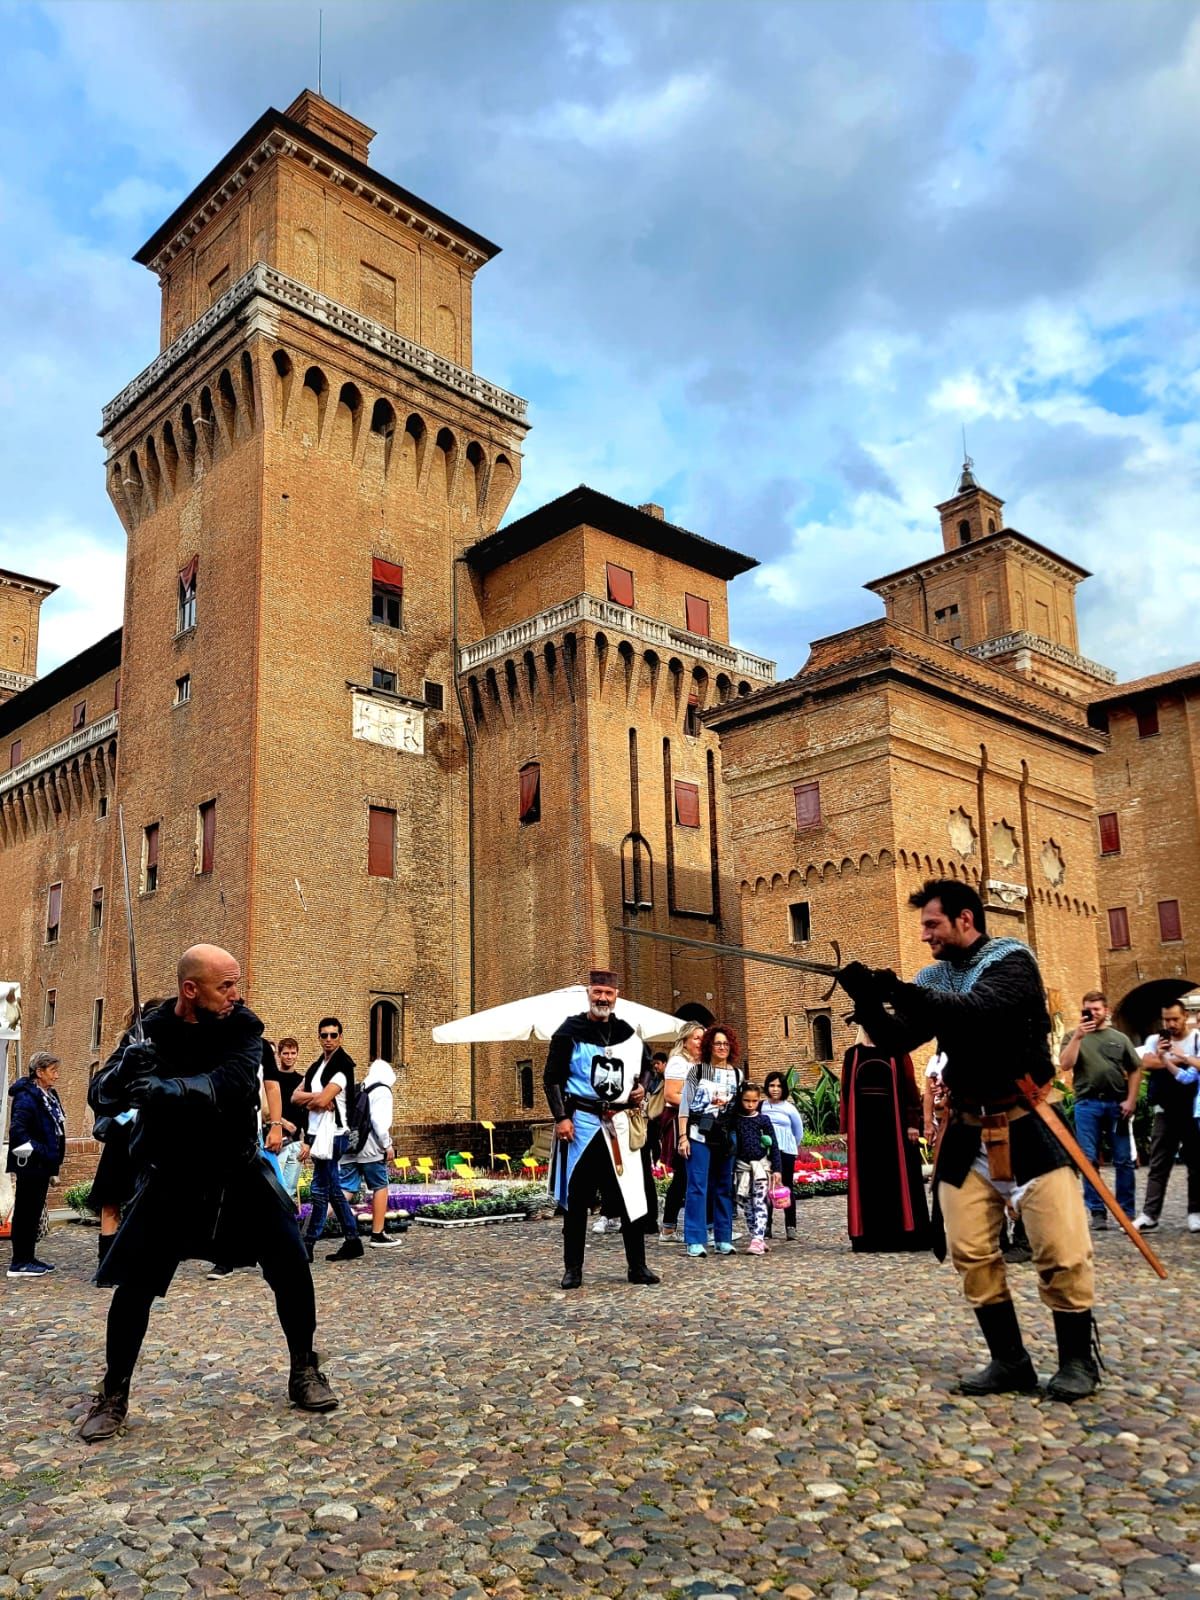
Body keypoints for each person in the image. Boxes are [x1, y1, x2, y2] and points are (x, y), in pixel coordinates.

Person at [839, 880, 1099, 1402]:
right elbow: (897, 1041)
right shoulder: (932, 976)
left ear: (964, 919)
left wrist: (899, 991)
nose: (924, 936)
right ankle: (1010, 1362)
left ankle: (1077, 1362)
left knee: (1062, 1251)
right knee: (970, 1251)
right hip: (966, 1131)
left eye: (931, 925)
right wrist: (868, 1002)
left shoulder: (1012, 961)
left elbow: (980, 1012)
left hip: (1027, 1123)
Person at [79, 944, 336, 1442]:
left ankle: (305, 1368)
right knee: (133, 1288)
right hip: (170, 1177)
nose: (236, 994)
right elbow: (101, 1097)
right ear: (190, 990)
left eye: (236, 984)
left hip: (237, 1175)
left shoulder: (243, 1028)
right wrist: (124, 1068)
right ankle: (113, 1393)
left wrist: (166, 1089)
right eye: (226, 986)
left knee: (291, 1265)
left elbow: (232, 1082)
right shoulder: (148, 1030)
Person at [544, 968, 660, 1290]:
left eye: (608, 994)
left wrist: (642, 1088)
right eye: (597, 992)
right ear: (589, 994)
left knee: (630, 1198)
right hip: (581, 1123)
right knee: (577, 1197)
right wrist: (561, 1117)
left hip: (619, 1125)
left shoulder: (627, 1033)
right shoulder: (568, 1031)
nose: (602, 998)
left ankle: (637, 1266)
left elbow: (648, 1068)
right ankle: (573, 1269)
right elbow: (551, 1078)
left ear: (616, 996)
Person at [88, 999, 166, 1276]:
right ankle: (108, 1263)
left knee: (140, 1204)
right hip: (124, 1135)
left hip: (148, 1136)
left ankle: (131, 1262)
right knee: (113, 1201)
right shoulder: (128, 1050)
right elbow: (102, 1089)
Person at [839, 1029, 930, 1254]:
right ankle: (870, 1238)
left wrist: (912, 1122)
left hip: (894, 1128)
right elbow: (845, 1092)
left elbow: (910, 1087)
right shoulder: (853, 1055)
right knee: (870, 1181)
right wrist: (845, 1127)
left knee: (895, 1179)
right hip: (864, 1131)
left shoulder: (896, 1051)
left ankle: (901, 1235)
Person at [1057, 990, 1141, 1230]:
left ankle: (1126, 1212)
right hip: (1087, 1104)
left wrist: (1131, 1100)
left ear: (1107, 1011)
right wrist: (1078, 1038)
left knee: (1123, 1159)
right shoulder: (1073, 1036)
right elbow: (1065, 1064)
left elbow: (1135, 1069)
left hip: (1118, 1104)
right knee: (1088, 1159)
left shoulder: (1119, 1038)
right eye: (1088, 1009)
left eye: (1097, 1009)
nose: (1092, 1013)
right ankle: (1097, 1212)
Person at [293, 1018, 362, 1262]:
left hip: (334, 1136)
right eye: (324, 1035)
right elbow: (294, 1097)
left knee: (319, 1189)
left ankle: (307, 1244)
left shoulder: (343, 1066)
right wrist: (316, 1096)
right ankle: (353, 1240)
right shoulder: (316, 1067)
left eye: (334, 1035)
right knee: (332, 1190)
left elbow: (323, 1102)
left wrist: (315, 1099)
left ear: (341, 1037)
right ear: (319, 1037)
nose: (329, 1039)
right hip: (318, 1134)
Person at [1134, 1001, 1200, 1233]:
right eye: (1166, 1020)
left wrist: (1168, 1059)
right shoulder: (1155, 1040)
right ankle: (1150, 1214)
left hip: (1192, 1110)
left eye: (1175, 1019)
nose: (1170, 1024)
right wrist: (1181, 1059)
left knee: (1195, 1163)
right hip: (1165, 1109)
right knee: (1158, 1163)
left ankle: (1195, 1212)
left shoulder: (1196, 1039)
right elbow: (1145, 1062)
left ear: (1185, 1017)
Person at [678, 1023, 742, 1258]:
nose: (722, 1047)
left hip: (725, 1135)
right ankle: (695, 1238)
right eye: (717, 1043)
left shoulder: (737, 1074)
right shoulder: (697, 1071)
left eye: (726, 1043)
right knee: (697, 1186)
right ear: (709, 1046)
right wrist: (682, 1136)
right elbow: (684, 1107)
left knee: (724, 1186)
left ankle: (723, 1237)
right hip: (698, 1133)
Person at [6, 1050, 66, 1278]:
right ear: (39, 1072)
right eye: (53, 1071)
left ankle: (28, 1257)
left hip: (42, 1165)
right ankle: (19, 1261)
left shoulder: (49, 1095)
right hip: (30, 1165)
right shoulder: (26, 1097)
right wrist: (43, 1152)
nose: (57, 1076)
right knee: (25, 1212)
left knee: (32, 1212)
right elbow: (18, 1131)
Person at [337, 1058, 399, 1248]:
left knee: (344, 1189)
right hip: (371, 1149)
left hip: (350, 1147)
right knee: (380, 1185)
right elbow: (380, 1123)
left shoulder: (361, 1087)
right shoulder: (382, 1090)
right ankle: (377, 1233)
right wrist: (387, 1145)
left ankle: (312, 1223)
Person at [658, 1022, 704, 1242]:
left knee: (687, 1176)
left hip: (698, 1120)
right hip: (680, 1121)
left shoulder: (701, 1063)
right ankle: (669, 1227)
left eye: (702, 1038)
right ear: (685, 1040)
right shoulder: (678, 1063)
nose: (700, 1042)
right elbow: (671, 1095)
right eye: (696, 1038)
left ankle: (669, 1226)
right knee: (685, 1175)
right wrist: (698, 1106)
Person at [730, 1081, 781, 1255]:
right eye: (746, 1100)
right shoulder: (735, 1120)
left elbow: (773, 1145)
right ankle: (755, 1234)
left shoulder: (763, 1120)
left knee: (760, 1202)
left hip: (760, 1167)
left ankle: (758, 1238)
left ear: (759, 1100)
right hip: (742, 1169)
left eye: (754, 1101)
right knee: (746, 1204)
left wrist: (777, 1170)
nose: (750, 1104)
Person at [761, 1071, 804, 1242]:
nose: (775, 1089)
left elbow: (798, 1131)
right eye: (772, 1085)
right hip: (766, 1151)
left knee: (786, 1187)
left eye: (779, 1086)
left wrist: (791, 1145)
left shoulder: (789, 1108)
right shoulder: (762, 1106)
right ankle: (766, 1225)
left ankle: (790, 1226)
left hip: (786, 1151)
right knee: (765, 1188)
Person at [265, 1036, 306, 1201]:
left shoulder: (302, 1081)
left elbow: (307, 1113)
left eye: (293, 1053)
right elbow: (266, 1107)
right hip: (277, 1141)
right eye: (286, 1053)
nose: (289, 1056)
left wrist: (307, 1141)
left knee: (288, 1192)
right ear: (279, 1055)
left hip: (296, 1143)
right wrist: (282, 1122)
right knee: (275, 1189)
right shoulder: (272, 1080)